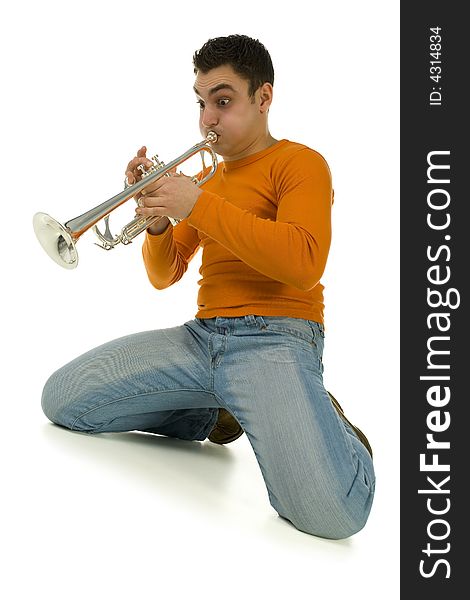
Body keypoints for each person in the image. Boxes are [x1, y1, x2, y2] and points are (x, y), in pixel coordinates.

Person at [41, 34, 375, 539]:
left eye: (223, 101)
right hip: (201, 339)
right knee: (63, 400)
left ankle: (335, 433)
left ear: (263, 98)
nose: (207, 119)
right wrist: (156, 220)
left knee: (332, 517)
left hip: (277, 338)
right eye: (201, 103)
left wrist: (195, 204)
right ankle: (218, 412)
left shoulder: (300, 163)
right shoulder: (210, 182)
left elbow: (304, 261)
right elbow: (164, 275)